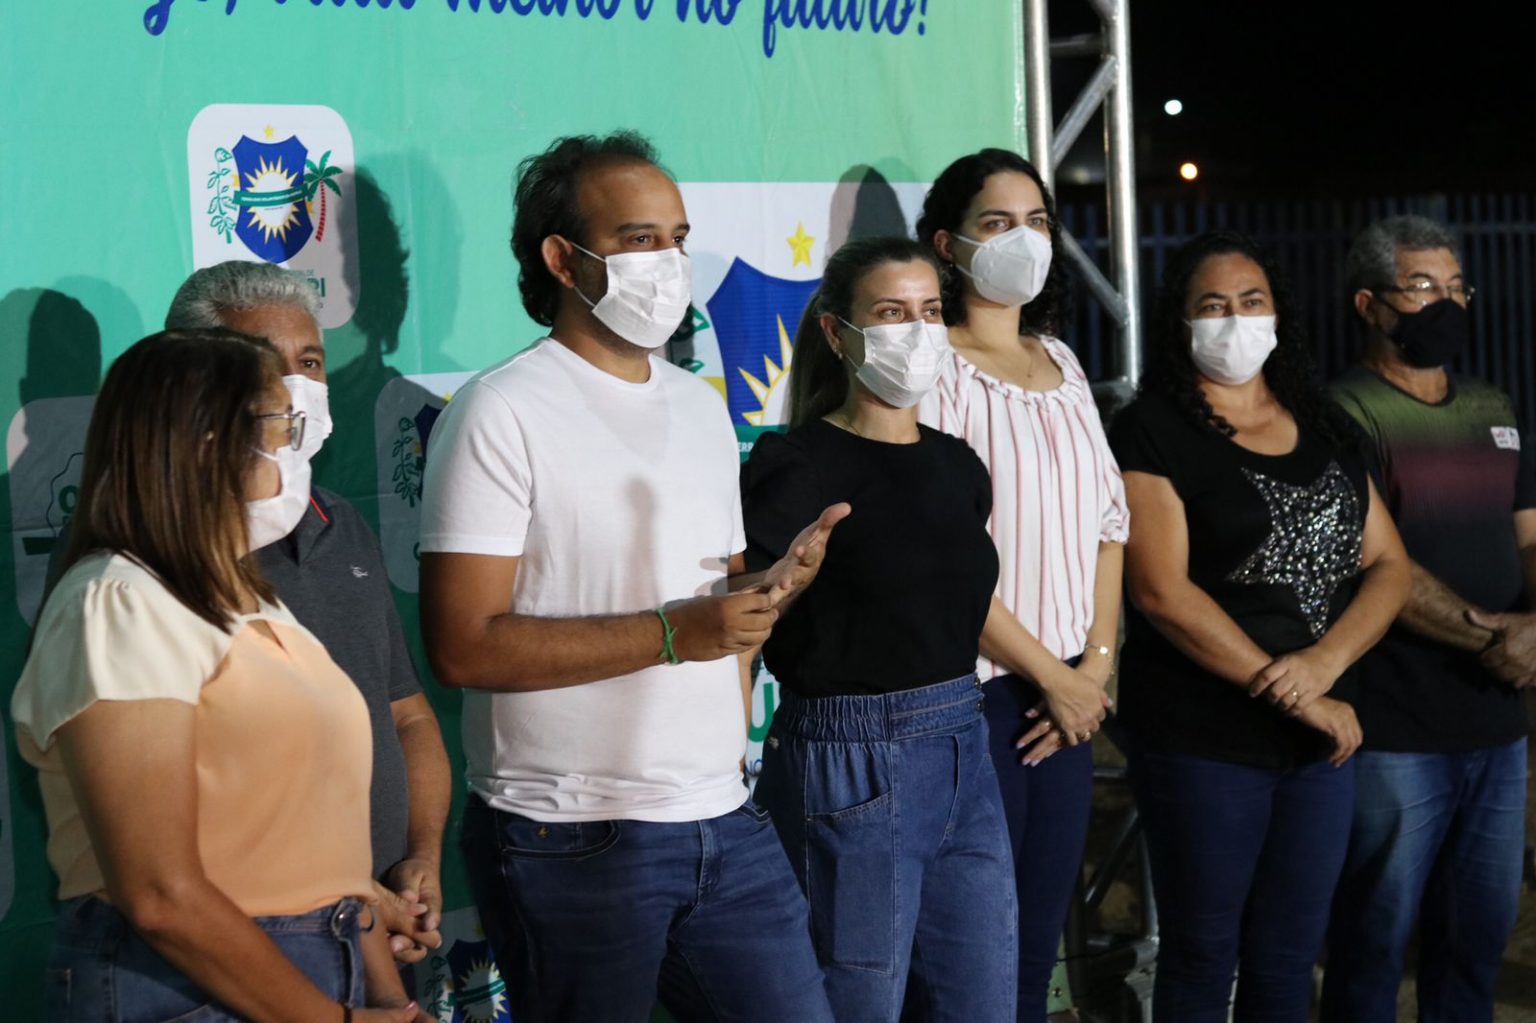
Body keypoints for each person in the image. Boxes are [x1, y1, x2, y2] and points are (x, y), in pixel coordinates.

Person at [417, 131, 843, 1023]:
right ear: (562, 259)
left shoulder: (695, 401)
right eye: (641, 239)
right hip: (569, 832)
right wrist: (671, 632)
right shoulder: (499, 413)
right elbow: (462, 644)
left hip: (726, 817)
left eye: (678, 239)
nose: (670, 263)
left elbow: (716, 601)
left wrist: (767, 592)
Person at [13, 329, 424, 1023]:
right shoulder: (119, 601)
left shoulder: (254, 600)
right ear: (205, 440)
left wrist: (386, 996)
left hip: (327, 968)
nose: (292, 446)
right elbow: (160, 893)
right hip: (183, 987)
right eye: (277, 423)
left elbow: (331, 849)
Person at [743, 235, 1099, 1022]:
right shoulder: (794, 465)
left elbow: (962, 606)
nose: (916, 331)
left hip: (962, 747)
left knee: (984, 1000)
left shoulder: (956, 464)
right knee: (857, 1002)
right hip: (848, 757)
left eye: (930, 311)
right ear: (838, 333)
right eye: (891, 313)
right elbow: (744, 624)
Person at [1108, 231, 1410, 1022]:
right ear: (1180, 322)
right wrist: (1297, 692)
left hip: (1318, 744)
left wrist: (1323, 665)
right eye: (1212, 305)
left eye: (1250, 302)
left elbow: (1390, 566)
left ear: (1278, 316)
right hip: (1204, 739)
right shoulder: (1150, 429)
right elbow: (1161, 591)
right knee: (1204, 956)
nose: (1233, 320)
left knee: (1286, 958)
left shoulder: (1326, 425)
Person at [164, 260, 451, 963]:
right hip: (240, 949)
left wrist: (419, 861)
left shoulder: (343, 524)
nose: (294, 385)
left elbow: (407, 713)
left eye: (311, 361)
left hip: (375, 933)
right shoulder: (148, 549)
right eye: (264, 361)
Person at [914, 147, 1129, 1022]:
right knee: (971, 954)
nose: (1024, 239)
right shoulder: (931, 369)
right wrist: (1056, 675)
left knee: (1035, 943)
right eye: (997, 223)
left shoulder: (1066, 363)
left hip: (1070, 701)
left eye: (1037, 221)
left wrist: (1097, 669)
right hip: (983, 698)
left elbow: (1110, 527)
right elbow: (942, 560)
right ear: (947, 244)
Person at [1321, 215, 1532, 1023]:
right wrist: (1498, 636)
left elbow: (1531, 532)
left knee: (1476, 939)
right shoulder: (1341, 414)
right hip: (1396, 730)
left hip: (1496, 730)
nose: (1444, 302)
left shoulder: (1492, 404)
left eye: (1455, 286)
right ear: (1369, 303)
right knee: (1374, 940)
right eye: (1422, 287)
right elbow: (1380, 566)